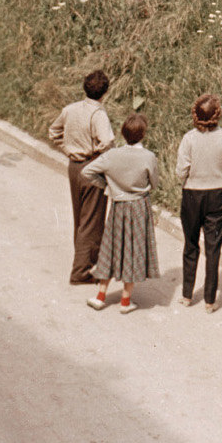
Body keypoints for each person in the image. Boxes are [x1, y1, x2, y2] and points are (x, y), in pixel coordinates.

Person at [83, 113, 160, 312]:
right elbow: (155, 183)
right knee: (133, 252)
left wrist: (107, 185)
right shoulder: (148, 157)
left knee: (111, 247)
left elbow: (87, 172)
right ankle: (125, 301)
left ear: (123, 134)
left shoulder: (111, 155)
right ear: (143, 135)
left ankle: (101, 295)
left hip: (118, 206)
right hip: (138, 206)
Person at [47, 68, 114, 285]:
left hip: (74, 166)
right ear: (105, 93)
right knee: (92, 220)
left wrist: (67, 149)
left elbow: (53, 132)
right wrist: (97, 152)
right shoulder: (99, 114)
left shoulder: (70, 109)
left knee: (80, 216)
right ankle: (81, 271)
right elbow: (107, 143)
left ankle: (86, 259)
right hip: (91, 165)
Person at [176, 94, 222, 311]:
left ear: (195, 115)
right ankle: (210, 299)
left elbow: (180, 171)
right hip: (217, 193)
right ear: (217, 114)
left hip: (193, 193)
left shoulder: (189, 138)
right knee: (213, 246)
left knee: (191, 244)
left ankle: (186, 294)